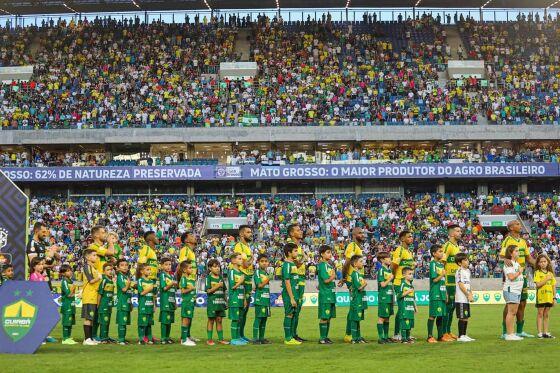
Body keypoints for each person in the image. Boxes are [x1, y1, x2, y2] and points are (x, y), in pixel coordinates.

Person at [499, 220, 535, 338]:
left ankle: (520, 330)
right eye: (517, 224)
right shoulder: (507, 241)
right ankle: (505, 331)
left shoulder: (523, 242)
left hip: (522, 275)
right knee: (510, 304)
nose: (520, 225)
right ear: (511, 228)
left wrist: (539, 264)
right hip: (512, 275)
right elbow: (501, 256)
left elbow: (529, 258)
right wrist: (505, 260)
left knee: (522, 303)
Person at [391, 230, 415, 341]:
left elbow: (408, 268)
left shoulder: (409, 252)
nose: (411, 238)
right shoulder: (399, 250)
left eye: (412, 237)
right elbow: (394, 266)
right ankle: (397, 333)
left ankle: (405, 332)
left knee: (406, 308)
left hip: (407, 283)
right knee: (402, 309)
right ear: (402, 239)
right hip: (399, 283)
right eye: (409, 237)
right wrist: (395, 278)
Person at [342, 227, 365, 343]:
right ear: (354, 235)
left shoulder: (358, 247)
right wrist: (344, 278)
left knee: (356, 308)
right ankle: (349, 334)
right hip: (352, 280)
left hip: (357, 279)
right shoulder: (352, 246)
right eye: (360, 233)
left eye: (363, 232)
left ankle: (354, 334)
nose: (363, 234)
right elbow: (346, 263)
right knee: (353, 308)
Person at [286, 224, 307, 342]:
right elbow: (297, 263)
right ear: (291, 233)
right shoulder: (291, 247)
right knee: (292, 309)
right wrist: (305, 257)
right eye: (298, 230)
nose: (301, 231)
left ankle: (294, 333)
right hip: (294, 280)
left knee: (298, 309)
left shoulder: (299, 247)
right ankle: (290, 335)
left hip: (301, 279)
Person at [233, 225, 254, 342]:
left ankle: (241, 334)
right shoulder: (239, 246)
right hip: (242, 279)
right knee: (241, 308)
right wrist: (252, 259)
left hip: (248, 279)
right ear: (241, 234)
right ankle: (237, 336)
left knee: (245, 310)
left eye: (250, 232)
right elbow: (245, 264)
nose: (250, 234)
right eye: (248, 232)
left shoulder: (247, 247)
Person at [442, 224, 462, 340]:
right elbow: (442, 262)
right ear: (451, 234)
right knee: (448, 306)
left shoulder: (457, 246)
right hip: (448, 282)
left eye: (460, 231)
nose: (460, 233)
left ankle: (448, 331)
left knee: (453, 307)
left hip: (455, 281)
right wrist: (443, 281)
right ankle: (444, 332)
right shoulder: (448, 246)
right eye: (458, 231)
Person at [427, 245, 451, 343]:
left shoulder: (441, 265)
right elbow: (435, 280)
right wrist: (442, 274)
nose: (442, 253)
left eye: (442, 251)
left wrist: (446, 294)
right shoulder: (433, 264)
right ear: (434, 253)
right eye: (440, 251)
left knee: (441, 315)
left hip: (442, 293)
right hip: (435, 293)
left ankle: (440, 336)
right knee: (433, 315)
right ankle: (429, 336)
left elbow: (442, 281)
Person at [27, 222, 59, 292]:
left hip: (46, 278)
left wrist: (54, 251)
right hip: (37, 279)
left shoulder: (44, 243)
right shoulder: (32, 244)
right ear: (36, 231)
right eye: (43, 232)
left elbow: (58, 258)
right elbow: (34, 264)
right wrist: (50, 265)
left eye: (46, 232)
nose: (45, 234)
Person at [343, 255, 367, 344]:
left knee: (358, 318)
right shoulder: (355, 274)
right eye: (361, 261)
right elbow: (359, 287)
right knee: (354, 318)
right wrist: (365, 284)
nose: (363, 263)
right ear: (355, 264)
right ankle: (354, 338)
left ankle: (358, 337)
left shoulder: (359, 274)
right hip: (356, 299)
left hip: (359, 299)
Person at [503, 245, 525, 341]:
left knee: (513, 312)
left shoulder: (516, 263)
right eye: (516, 251)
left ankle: (511, 333)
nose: (518, 252)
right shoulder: (509, 264)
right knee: (511, 312)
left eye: (518, 250)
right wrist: (519, 272)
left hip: (516, 290)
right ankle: (509, 334)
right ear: (511, 253)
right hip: (511, 290)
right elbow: (511, 277)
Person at [281, 242, 302, 345]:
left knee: (293, 314)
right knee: (289, 314)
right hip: (290, 295)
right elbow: (287, 281)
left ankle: (291, 337)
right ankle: (288, 338)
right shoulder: (286, 264)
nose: (297, 252)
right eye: (295, 251)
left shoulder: (293, 264)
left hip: (295, 294)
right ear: (289, 253)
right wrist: (291, 298)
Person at [205, 258, 229, 345]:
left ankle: (221, 339)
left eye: (218, 266)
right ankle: (209, 339)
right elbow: (208, 291)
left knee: (219, 320)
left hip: (220, 303)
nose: (217, 268)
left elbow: (224, 291)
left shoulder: (221, 278)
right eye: (215, 267)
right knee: (211, 320)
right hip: (212, 304)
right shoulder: (208, 278)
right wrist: (217, 285)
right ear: (210, 268)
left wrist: (226, 301)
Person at [81, 249, 102, 346]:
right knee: (88, 318)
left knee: (91, 318)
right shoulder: (87, 267)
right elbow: (91, 281)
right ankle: (87, 339)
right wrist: (99, 277)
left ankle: (90, 338)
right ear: (87, 257)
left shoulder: (92, 268)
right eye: (94, 255)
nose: (96, 257)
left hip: (93, 295)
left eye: (96, 255)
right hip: (89, 296)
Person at [534, 254, 556, 339]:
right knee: (540, 314)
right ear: (538, 263)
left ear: (547, 262)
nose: (543, 263)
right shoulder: (537, 273)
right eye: (541, 262)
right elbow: (538, 285)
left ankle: (546, 332)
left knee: (546, 314)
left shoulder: (551, 273)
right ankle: (540, 333)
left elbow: (553, 286)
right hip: (541, 297)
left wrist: (554, 298)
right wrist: (546, 279)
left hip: (549, 297)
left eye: (544, 261)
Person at [317, 245, 336, 345]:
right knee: (324, 317)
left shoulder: (328, 265)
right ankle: (322, 338)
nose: (330, 254)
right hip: (326, 295)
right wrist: (333, 276)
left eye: (330, 252)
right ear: (322, 254)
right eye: (328, 252)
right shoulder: (322, 265)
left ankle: (326, 337)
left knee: (328, 317)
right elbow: (326, 280)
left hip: (331, 294)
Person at [228, 252, 247, 346]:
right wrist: (240, 282)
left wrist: (244, 299)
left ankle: (238, 337)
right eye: (239, 259)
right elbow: (232, 287)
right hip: (234, 298)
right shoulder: (231, 272)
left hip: (240, 298)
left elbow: (242, 288)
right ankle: (234, 339)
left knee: (240, 319)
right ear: (233, 260)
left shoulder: (241, 273)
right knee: (235, 319)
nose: (241, 260)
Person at [455, 252, 475, 342]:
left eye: (467, 259)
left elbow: (468, 284)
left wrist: (470, 294)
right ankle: (460, 336)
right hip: (461, 298)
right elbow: (461, 284)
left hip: (466, 298)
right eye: (465, 260)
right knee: (462, 317)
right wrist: (467, 294)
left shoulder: (468, 271)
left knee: (466, 316)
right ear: (460, 263)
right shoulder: (459, 271)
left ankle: (464, 334)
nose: (468, 261)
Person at [253, 254, 271, 345]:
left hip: (266, 300)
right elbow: (259, 285)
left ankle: (261, 338)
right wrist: (268, 279)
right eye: (262, 261)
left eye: (266, 261)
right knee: (258, 318)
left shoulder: (267, 273)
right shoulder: (257, 272)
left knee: (264, 319)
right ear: (258, 262)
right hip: (260, 299)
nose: (264, 263)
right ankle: (255, 338)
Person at [376, 251, 394, 344]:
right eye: (389, 258)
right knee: (382, 317)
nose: (390, 259)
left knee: (387, 317)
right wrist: (390, 279)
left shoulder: (389, 270)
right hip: (383, 296)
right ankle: (381, 337)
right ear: (382, 260)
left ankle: (386, 337)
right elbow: (382, 284)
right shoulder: (381, 270)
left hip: (389, 296)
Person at [178, 260, 196, 346]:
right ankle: (184, 340)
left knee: (189, 319)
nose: (191, 269)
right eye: (190, 268)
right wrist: (191, 289)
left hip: (191, 302)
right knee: (185, 319)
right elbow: (182, 291)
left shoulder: (190, 278)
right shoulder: (183, 278)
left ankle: (186, 337)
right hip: (186, 302)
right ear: (184, 270)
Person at [115, 258, 134, 345]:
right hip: (122, 303)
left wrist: (130, 303)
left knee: (125, 322)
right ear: (118, 268)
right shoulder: (120, 277)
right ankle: (121, 339)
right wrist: (128, 283)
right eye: (122, 265)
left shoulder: (126, 277)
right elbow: (124, 289)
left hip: (127, 302)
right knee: (122, 322)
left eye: (126, 265)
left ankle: (123, 338)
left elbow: (129, 292)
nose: (125, 267)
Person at [159, 257, 177, 344]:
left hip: (171, 301)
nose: (168, 266)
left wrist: (175, 302)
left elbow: (173, 291)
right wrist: (172, 283)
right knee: (164, 320)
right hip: (165, 301)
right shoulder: (162, 275)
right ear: (161, 266)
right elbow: (164, 288)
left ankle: (167, 337)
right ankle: (163, 338)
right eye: (166, 264)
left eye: (170, 264)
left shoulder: (171, 276)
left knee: (169, 320)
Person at [137, 263, 156, 344]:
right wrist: (150, 288)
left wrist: (154, 305)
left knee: (149, 323)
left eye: (150, 269)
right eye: (147, 269)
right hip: (143, 304)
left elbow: (153, 295)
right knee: (142, 322)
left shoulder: (151, 281)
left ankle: (149, 337)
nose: (149, 271)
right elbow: (141, 293)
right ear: (142, 271)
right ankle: (141, 338)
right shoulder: (140, 280)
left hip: (150, 305)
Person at [59, 264, 77, 345]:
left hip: (71, 304)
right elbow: (68, 294)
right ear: (63, 273)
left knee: (70, 322)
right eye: (68, 271)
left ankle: (68, 337)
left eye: (70, 270)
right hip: (67, 304)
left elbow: (72, 294)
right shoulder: (64, 281)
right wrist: (75, 292)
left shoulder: (71, 281)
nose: (70, 272)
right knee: (66, 321)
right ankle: (65, 338)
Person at [97, 263, 115, 343]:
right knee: (104, 322)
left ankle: (106, 337)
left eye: (111, 269)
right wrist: (98, 305)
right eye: (108, 270)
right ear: (104, 272)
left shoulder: (111, 281)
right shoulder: (104, 280)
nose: (110, 271)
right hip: (103, 305)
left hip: (109, 305)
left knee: (107, 322)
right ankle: (103, 338)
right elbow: (100, 293)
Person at [398, 267, 416, 343]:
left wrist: (415, 307)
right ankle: (403, 338)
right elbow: (399, 295)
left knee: (410, 323)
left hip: (411, 307)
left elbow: (413, 298)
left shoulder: (411, 286)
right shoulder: (403, 284)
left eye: (412, 274)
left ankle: (408, 337)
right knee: (405, 322)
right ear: (404, 275)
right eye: (409, 274)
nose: (411, 275)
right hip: (404, 307)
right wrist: (408, 292)